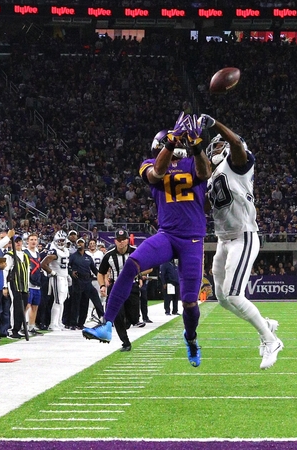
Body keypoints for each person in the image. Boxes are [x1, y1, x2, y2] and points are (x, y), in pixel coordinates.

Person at [84, 112, 212, 368]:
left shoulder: (192, 162)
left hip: (193, 240)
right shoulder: (149, 163)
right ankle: (107, 324)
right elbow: (156, 173)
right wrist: (172, 143)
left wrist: (197, 147)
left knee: (188, 301)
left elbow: (205, 172)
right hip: (167, 234)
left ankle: (191, 338)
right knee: (131, 264)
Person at [201, 113, 282, 370]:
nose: (215, 147)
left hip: (243, 236)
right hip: (223, 240)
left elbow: (235, 144)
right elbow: (204, 205)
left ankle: (271, 340)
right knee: (222, 297)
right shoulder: (212, 177)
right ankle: (265, 324)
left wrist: (215, 124)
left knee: (235, 295)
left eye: (218, 143)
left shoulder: (238, 163)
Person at [97, 229, 141, 352]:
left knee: (134, 317)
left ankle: (127, 323)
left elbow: (149, 267)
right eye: (119, 240)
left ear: (128, 240)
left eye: (123, 240)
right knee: (117, 315)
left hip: (132, 286)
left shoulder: (136, 252)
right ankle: (125, 342)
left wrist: (138, 273)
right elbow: (100, 273)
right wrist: (102, 286)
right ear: (115, 241)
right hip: (116, 287)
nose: (121, 242)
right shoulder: (109, 255)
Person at [68, 238, 104, 329]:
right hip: (77, 281)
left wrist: (101, 277)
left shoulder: (88, 257)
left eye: (81, 242)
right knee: (75, 303)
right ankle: (73, 323)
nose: (80, 244)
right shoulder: (73, 256)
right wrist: (71, 272)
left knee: (85, 303)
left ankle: (81, 323)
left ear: (85, 244)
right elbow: (67, 266)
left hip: (88, 281)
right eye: (78, 243)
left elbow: (94, 269)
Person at [41, 231, 72, 331]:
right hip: (57, 278)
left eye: (63, 240)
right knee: (58, 301)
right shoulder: (54, 251)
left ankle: (59, 322)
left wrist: (67, 275)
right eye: (59, 240)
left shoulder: (66, 250)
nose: (61, 242)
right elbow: (43, 264)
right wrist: (52, 272)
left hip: (64, 277)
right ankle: (53, 324)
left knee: (62, 301)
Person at [3, 235, 30, 339]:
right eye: (16, 241)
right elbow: (5, 271)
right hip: (14, 283)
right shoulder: (9, 255)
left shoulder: (25, 255)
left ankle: (18, 328)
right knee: (16, 305)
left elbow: (27, 271)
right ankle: (12, 329)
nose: (18, 243)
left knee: (23, 306)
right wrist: (4, 286)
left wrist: (28, 286)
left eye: (19, 241)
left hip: (24, 285)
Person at [23, 233, 43, 335]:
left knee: (35, 306)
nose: (33, 241)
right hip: (28, 283)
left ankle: (31, 326)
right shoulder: (25, 252)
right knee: (27, 305)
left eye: (35, 239)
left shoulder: (37, 253)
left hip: (37, 282)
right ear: (27, 241)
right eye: (31, 239)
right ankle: (23, 326)